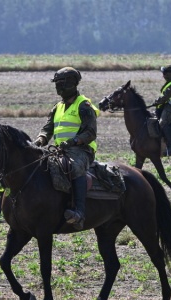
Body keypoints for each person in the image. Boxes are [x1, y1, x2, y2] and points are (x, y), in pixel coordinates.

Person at [33, 66, 99, 230]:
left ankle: (80, 212)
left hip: (81, 150)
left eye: (61, 83)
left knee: (74, 167)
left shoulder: (84, 105)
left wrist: (74, 141)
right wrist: (40, 140)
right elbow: (47, 129)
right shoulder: (57, 107)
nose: (58, 87)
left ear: (73, 84)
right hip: (59, 149)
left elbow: (90, 133)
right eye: (57, 84)